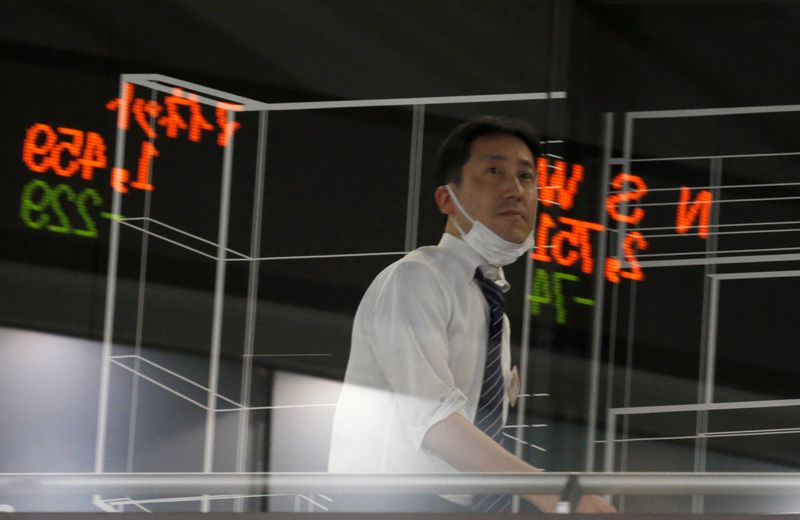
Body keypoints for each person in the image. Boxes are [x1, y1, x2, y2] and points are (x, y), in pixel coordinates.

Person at [327, 116, 614, 513]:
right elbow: (434, 421)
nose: (516, 190)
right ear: (447, 199)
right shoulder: (416, 278)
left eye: (527, 177)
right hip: (388, 506)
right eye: (494, 171)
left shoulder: (491, 308)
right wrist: (553, 492)